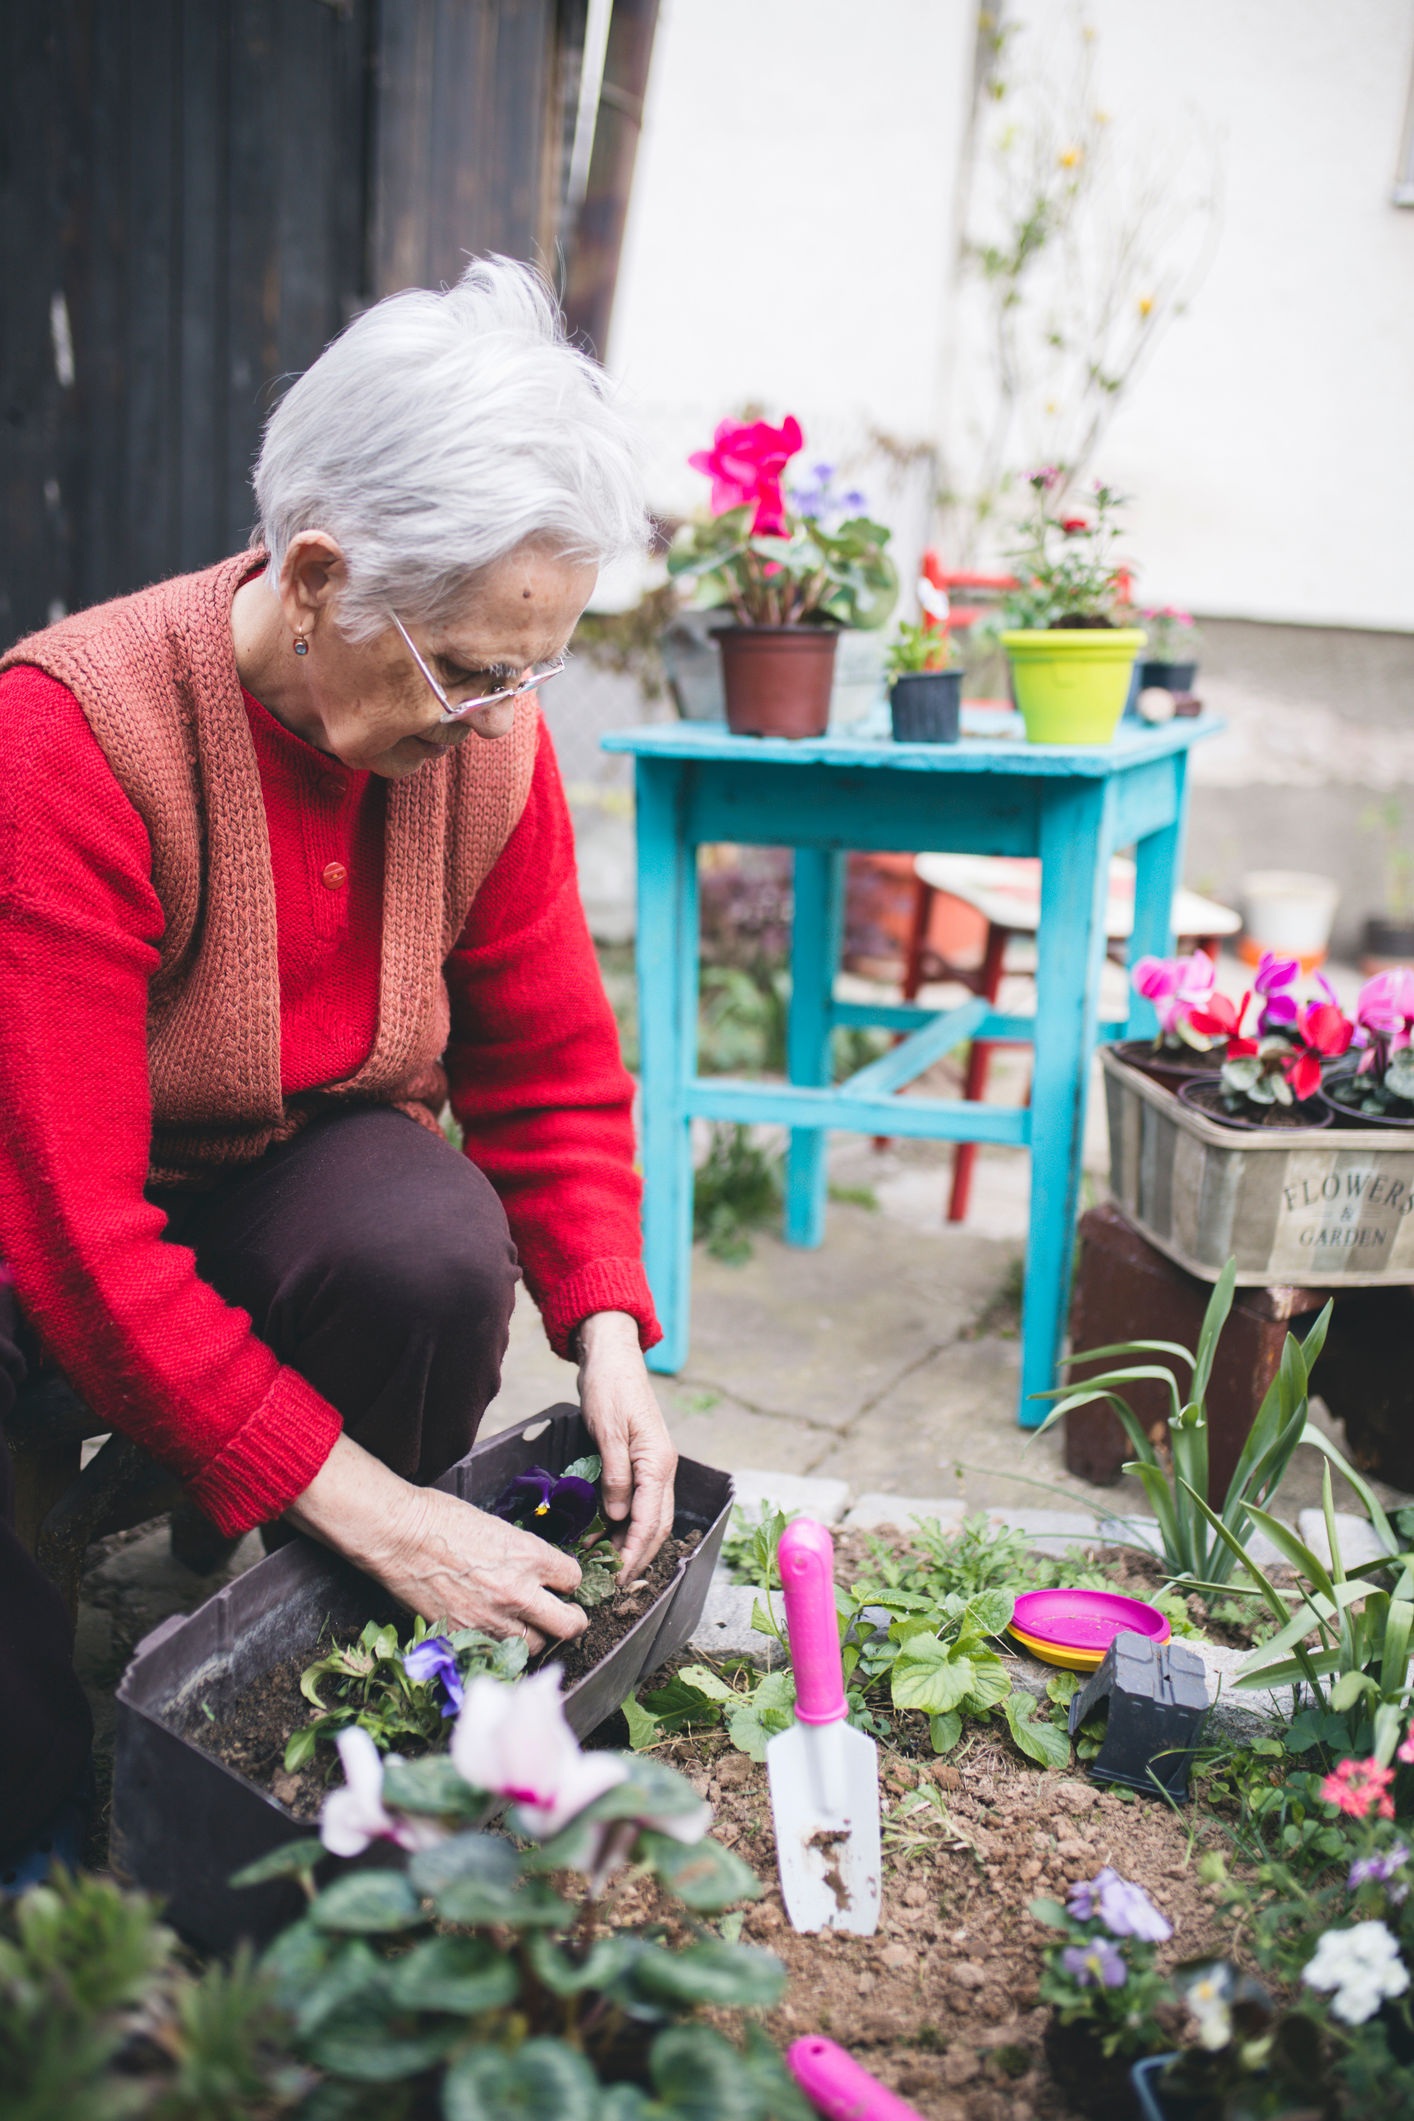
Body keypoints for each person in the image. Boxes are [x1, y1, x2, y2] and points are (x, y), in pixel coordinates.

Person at [0, 259, 674, 1881]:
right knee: (28, 1761)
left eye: (538, 664)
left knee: (427, 1236)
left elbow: (549, 1057)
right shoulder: (72, 738)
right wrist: (377, 1503)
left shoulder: (482, 742)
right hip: (36, 1245)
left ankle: (280, 1652)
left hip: (246, 1207)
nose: (502, 709)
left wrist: (602, 1324)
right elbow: (76, 1232)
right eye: (465, 663)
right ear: (313, 576)